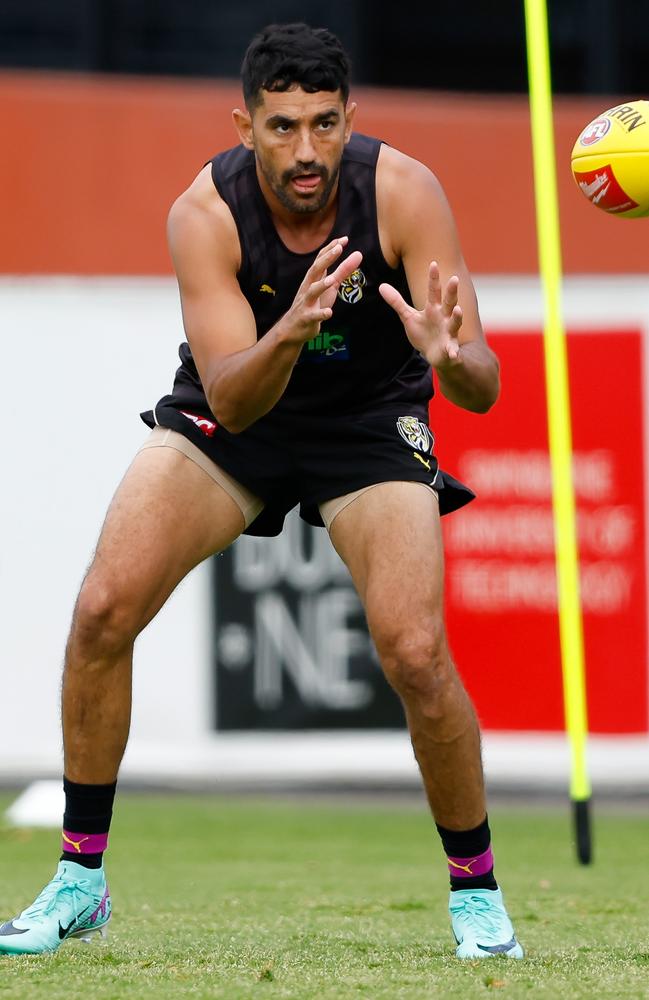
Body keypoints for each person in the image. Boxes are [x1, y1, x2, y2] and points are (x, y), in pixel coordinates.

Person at [0, 23, 522, 960]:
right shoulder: (202, 212)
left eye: (325, 124)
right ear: (244, 124)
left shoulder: (403, 190)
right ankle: (80, 879)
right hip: (238, 405)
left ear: (350, 118)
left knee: (413, 649)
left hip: (367, 420)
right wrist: (292, 328)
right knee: (102, 609)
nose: (308, 151)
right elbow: (235, 404)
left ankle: (476, 894)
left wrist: (453, 361)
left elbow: (481, 381)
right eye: (283, 127)